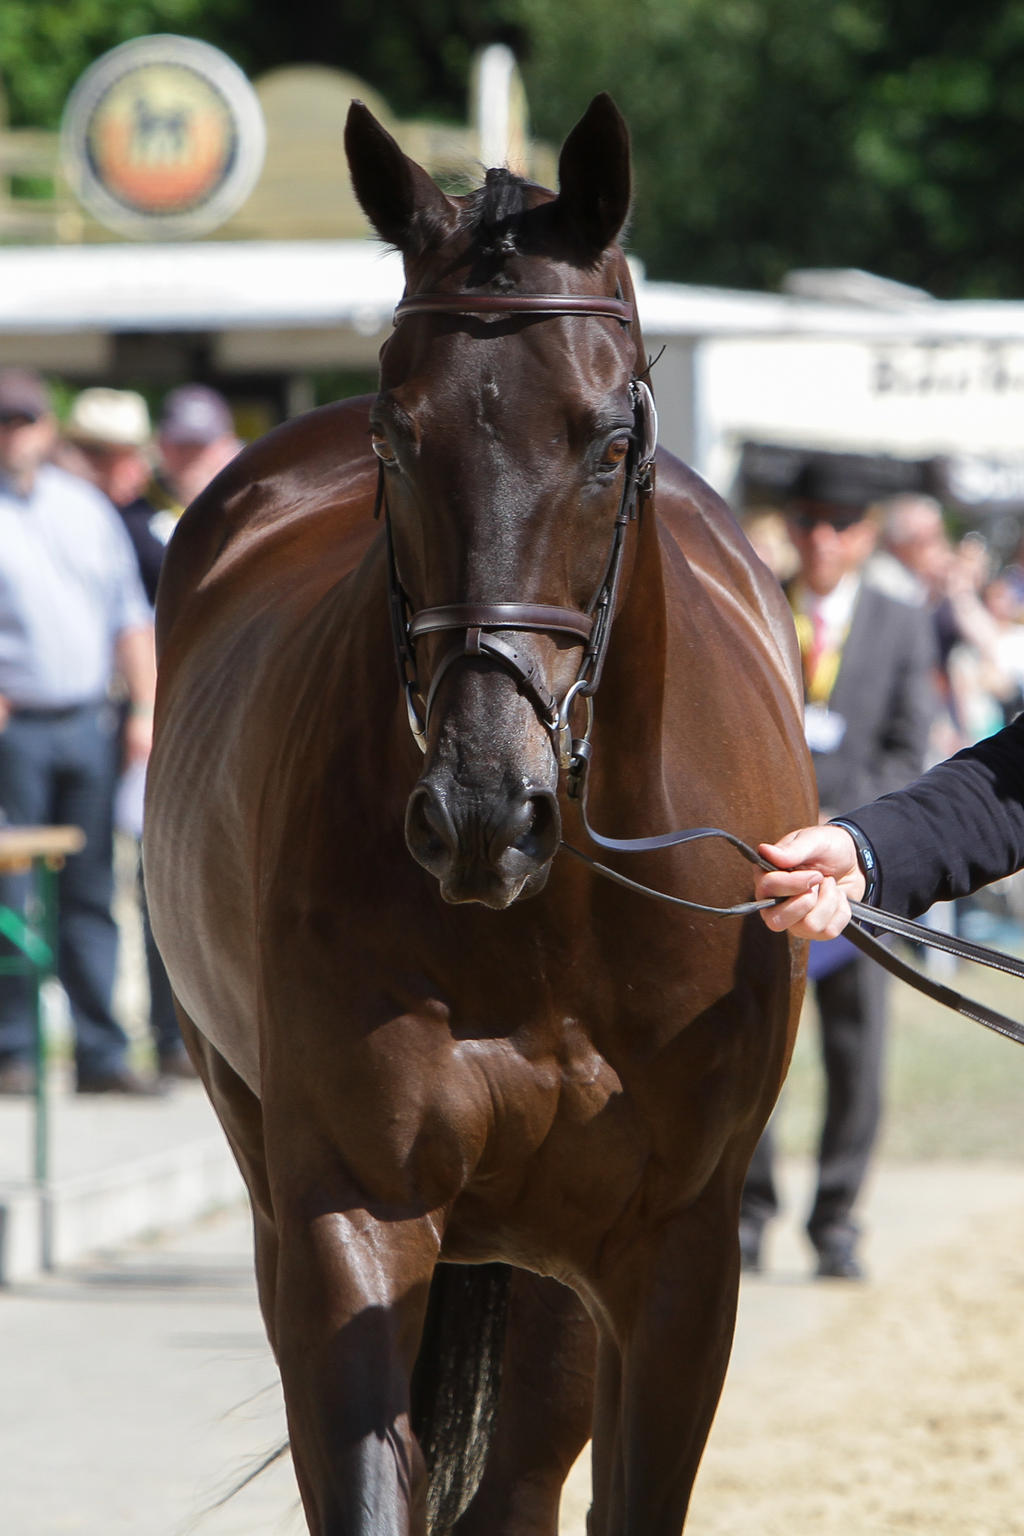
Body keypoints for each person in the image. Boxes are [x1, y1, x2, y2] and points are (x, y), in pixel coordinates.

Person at [739, 458, 937, 1281]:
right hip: (771, 869)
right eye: (810, 520)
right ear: (791, 526)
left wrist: (849, 830)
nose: (823, 540)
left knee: (858, 1057)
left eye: (841, 525)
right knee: (752, 1053)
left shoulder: (898, 619)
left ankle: (838, 1219)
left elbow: (907, 745)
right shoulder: (753, 606)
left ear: (864, 536)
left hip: (858, 871)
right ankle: (750, 1213)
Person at [0, 368, 160, 1095]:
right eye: (3, 421)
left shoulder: (84, 508)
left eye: (23, 420)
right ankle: (14, 1051)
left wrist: (147, 711)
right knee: (12, 894)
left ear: (45, 427)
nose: (13, 434)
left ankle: (100, 1052)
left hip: (89, 720)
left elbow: (130, 616)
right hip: (16, 724)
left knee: (94, 890)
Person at [64, 387, 195, 1082]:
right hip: (94, 711)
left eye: (116, 454)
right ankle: (108, 1043)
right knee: (91, 885)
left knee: (156, 878)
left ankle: (173, 1036)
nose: (112, 468)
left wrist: (146, 708)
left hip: (152, 716)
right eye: (94, 453)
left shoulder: (153, 525)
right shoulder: (65, 519)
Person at [156, 383, 241, 511]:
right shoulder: (129, 518)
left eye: (202, 445)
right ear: (162, 445)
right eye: (182, 445)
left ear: (228, 444)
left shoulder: (252, 512)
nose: (192, 455)